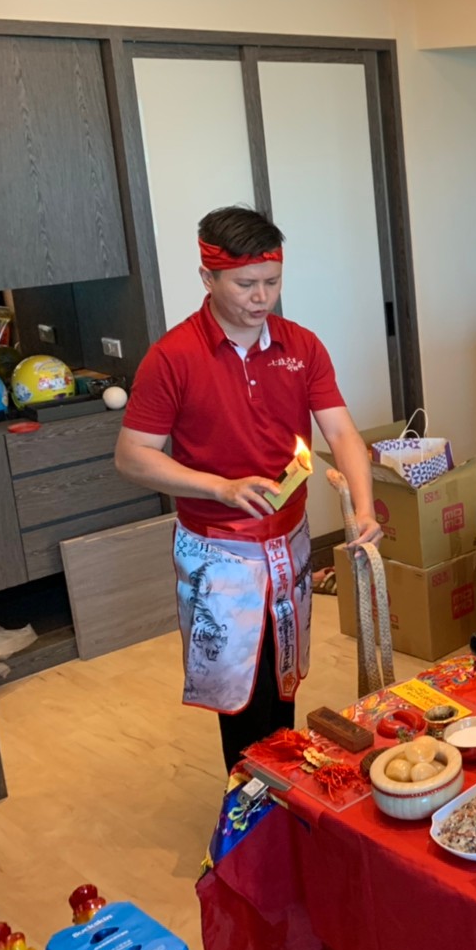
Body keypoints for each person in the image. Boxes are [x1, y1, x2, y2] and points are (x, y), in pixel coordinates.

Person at [115, 206, 382, 771]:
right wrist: (221, 488)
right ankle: (247, 795)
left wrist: (363, 509)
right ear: (208, 278)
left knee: (283, 672)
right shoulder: (173, 357)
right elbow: (132, 456)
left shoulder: (300, 346)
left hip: (289, 539)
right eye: (245, 284)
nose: (262, 297)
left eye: (272, 282)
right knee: (238, 688)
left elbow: (342, 433)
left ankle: (280, 787)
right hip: (219, 549)